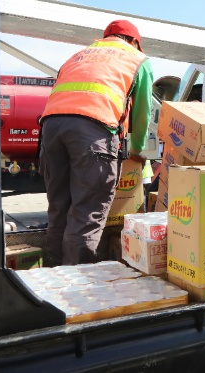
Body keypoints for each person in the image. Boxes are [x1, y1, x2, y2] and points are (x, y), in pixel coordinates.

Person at [39, 20, 153, 266]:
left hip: (51, 129)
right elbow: (142, 113)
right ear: (134, 42)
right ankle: (75, 288)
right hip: (94, 131)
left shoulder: (80, 55)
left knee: (59, 207)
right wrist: (136, 150)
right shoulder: (136, 59)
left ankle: (50, 277)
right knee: (86, 214)